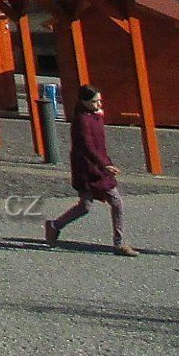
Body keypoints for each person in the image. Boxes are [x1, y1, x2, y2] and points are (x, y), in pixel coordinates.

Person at [42, 85, 134, 255]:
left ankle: (119, 243)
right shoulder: (82, 120)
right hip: (88, 169)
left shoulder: (94, 116)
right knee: (86, 206)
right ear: (84, 102)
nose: (98, 103)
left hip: (99, 168)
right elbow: (87, 146)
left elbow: (99, 143)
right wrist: (104, 164)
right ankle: (54, 225)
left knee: (115, 202)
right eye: (94, 101)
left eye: (99, 100)